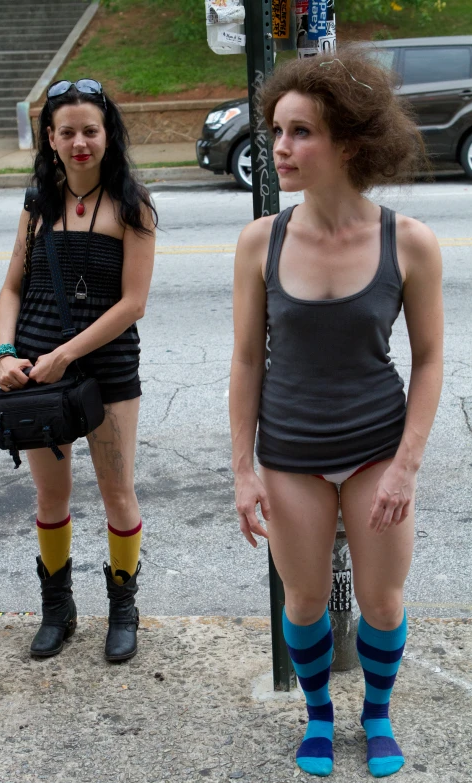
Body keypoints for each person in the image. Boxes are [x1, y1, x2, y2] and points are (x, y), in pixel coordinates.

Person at [229, 51, 443, 778]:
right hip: (290, 451)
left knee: (382, 602)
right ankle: (318, 716)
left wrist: (407, 465)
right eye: (277, 132)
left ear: (350, 142)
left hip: (377, 444)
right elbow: (247, 362)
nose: (280, 148)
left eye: (300, 133)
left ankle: (376, 714)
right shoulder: (262, 240)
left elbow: (432, 359)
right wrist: (243, 470)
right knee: (307, 595)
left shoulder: (407, 241)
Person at [0, 79, 157, 662]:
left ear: (108, 134)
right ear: (51, 139)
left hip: (107, 371)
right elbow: (11, 287)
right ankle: (58, 611)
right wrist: (4, 353)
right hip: (36, 375)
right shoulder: (37, 204)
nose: (80, 142)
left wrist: (68, 353)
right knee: (50, 497)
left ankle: (123, 611)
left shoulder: (132, 207)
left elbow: (132, 304)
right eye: (68, 132)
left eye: (91, 130)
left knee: (117, 492)